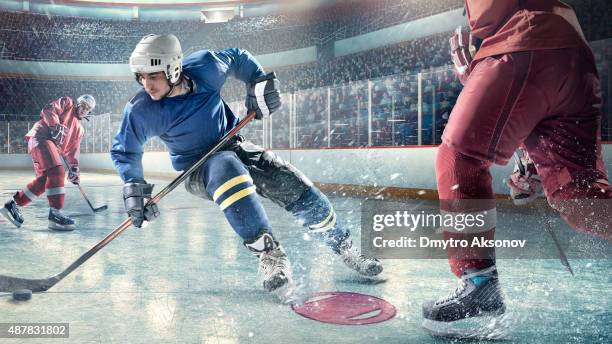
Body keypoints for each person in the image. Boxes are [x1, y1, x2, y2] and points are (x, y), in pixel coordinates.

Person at [110, 34, 382, 295]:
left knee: (290, 182)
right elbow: (126, 151)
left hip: (235, 146)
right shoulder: (141, 110)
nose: (146, 84)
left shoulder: (205, 67)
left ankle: (343, 245)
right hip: (198, 170)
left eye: (153, 76)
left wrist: (259, 82)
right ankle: (270, 255)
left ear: (172, 69)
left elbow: (239, 58)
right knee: (225, 166)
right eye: (141, 77)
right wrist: (134, 189)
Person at [423, 0, 611, 337]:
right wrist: (533, 162)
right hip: (574, 55)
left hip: (521, 40)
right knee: (580, 197)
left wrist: (481, 71)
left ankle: (479, 283)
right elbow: (529, 99)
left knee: (459, 157)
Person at [1, 95, 96, 231]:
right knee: (57, 172)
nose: (84, 109)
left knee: (44, 181)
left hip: (49, 148)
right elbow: (48, 110)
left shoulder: (79, 130)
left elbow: (72, 152)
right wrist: (55, 125)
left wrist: (74, 169)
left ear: (89, 112)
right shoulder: (67, 103)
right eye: (83, 105)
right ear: (77, 103)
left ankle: (12, 205)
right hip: (41, 137)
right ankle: (55, 215)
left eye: (88, 108)